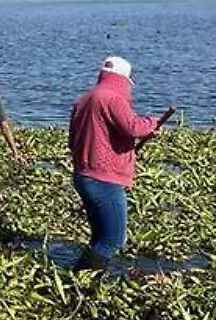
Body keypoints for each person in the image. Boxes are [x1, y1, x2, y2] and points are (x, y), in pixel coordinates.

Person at [69, 56, 167, 270]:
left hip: (83, 175)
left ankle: (84, 285)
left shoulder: (84, 100)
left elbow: (73, 140)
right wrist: (153, 123)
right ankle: (80, 281)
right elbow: (133, 127)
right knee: (114, 239)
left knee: (99, 237)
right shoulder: (112, 99)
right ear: (122, 80)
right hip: (103, 180)